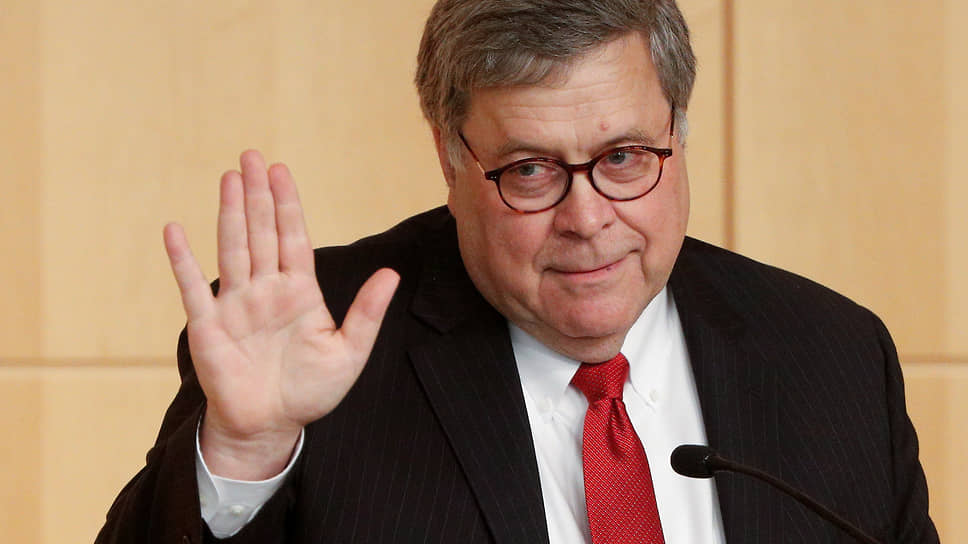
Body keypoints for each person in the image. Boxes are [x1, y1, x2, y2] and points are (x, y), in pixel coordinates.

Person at [96, 1, 939, 542]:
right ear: (449, 155)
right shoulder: (312, 349)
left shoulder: (833, 356)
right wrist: (248, 452)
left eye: (624, 157)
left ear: (678, 134)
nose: (587, 217)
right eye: (531, 170)